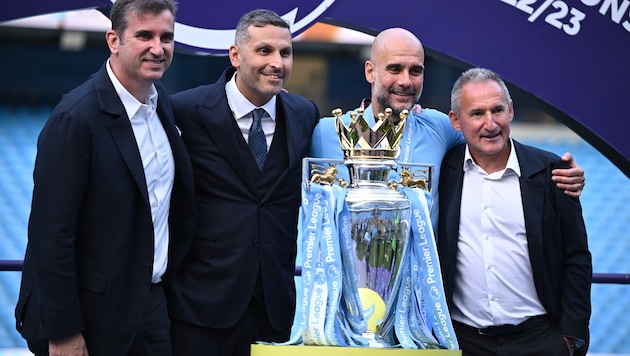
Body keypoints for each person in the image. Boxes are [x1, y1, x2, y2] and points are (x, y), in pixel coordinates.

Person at [14, 0, 195, 354]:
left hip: (151, 307)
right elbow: (51, 234)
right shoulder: (75, 118)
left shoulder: (163, 107)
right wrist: (64, 331)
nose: (158, 48)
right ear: (114, 40)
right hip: (91, 317)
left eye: (166, 37)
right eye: (144, 35)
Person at [310, 28, 585, 233]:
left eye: (415, 71)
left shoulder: (440, 127)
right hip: (351, 290)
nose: (406, 81)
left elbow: (495, 141)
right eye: (395, 69)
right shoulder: (327, 131)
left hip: (420, 292)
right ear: (371, 72)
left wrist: (556, 171)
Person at [164, 9, 320, 356]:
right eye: (264, 51)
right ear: (235, 55)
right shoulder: (185, 110)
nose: (277, 62)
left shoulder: (305, 113)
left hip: (275, 309)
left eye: (285, 52)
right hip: (199, 308)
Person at [437, 67, 591, 356]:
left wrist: (570, 340)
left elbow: (576, 256)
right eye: (477, 114)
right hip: (463, 342)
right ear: (456, 121)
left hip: (540, 340)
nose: (490, 123)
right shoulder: (441, 173)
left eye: (497, 110)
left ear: (510, 110)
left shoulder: (552, 172)